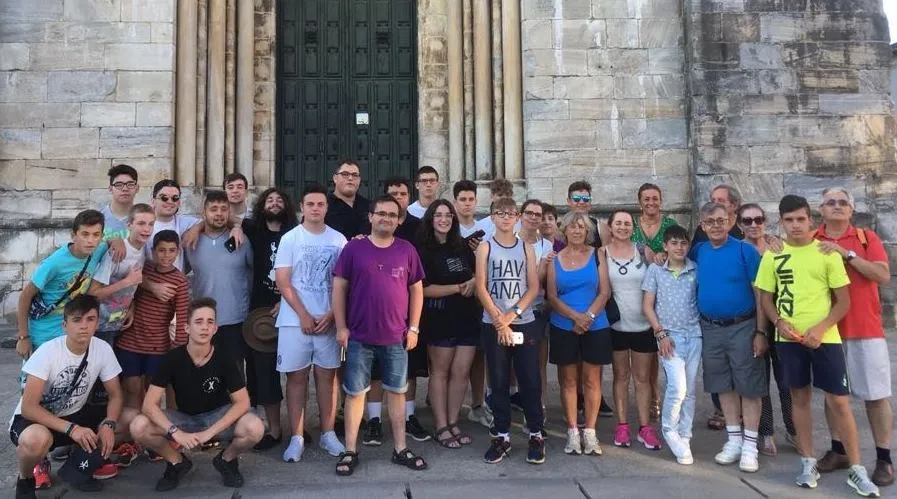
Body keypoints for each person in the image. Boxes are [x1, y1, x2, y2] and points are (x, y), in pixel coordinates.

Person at [755, 194, 879, 497]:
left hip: (826, 339)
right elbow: (766, 298)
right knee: (799, 399)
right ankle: (808, 461)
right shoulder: (773, 255)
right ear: (781, 222)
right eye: (789, 220)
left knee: (839, 402)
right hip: (789, 340)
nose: (795, 225)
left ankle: (857, 468)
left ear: (810, 220)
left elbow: (844, 302)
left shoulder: (827, 252)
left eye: (801, 219)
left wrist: (821, 329)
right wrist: (778, 323)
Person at [332, 195, 427, 476]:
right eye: (381, 213)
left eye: (392, 215)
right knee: (355, 394)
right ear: (371, 217)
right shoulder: (354, 248)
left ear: (399, 220)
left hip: (396, 337)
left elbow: (416, 290)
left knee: (397, 392)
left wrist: (414, 328)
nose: (386, 218)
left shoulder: (407, 249)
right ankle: (350, 450)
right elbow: (339, 288)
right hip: (359, 336)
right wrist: (341, 326)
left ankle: (400, 448)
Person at [129, 298, 265, 491]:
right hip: (184, 418)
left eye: (210, 322)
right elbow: (149, 405)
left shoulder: (224, 357)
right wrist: (176, 433)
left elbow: (242, 402)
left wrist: (208, 433)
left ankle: (227, 459)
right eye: (198, 322)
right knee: (139, 425)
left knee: (255, 427)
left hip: (217, 417)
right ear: (186, 328)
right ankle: (177, 462)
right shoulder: (172, 359)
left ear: (215, 328)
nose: (205, 327)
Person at [11, 295, 138, 497]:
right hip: (37, 419)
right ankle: (25, 479)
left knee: (131, 418)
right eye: (77, 320)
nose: (84, 326)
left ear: (97, 323)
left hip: (75, 414)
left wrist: (109, 423)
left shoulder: (102, 349)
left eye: (90, 319)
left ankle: (77, 467)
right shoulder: (47, 352)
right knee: (36, 440)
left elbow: (115, 395)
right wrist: (72, 429)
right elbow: (29, 407)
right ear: (65, 325)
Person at [810, 187, 893, 487]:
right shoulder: (811, 239)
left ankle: (883, 458)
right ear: (821, 209)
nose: (837, 206)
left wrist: (847, 254)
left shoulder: (866, 238)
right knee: (833, 394)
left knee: (876, 395)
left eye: (843, 202)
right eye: (830, 202)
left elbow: (882, 275)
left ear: (851, 209)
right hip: (827, 329)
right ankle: (839, 450)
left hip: (864, 328)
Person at [690, 202, 767, 473]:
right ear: (702, 225)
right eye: (710, 222)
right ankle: (734, 440)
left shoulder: (745, 251)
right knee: (723, 384)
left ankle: (750, 446)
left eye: (720, 221)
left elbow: (760, 293)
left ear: (731, 221)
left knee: (749, 385)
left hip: (743, 326)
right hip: (710, 328)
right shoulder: (699, 251)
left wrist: (761, 331)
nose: (715, 226)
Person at [274, 184, 347, 461]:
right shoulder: (290, 239)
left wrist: (332, 315)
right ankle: (297, 436)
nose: (315, 208)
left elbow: (343, 282)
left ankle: (328, 433)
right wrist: (303, 314)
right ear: (301, 208)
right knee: (296, 378)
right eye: (310, 204)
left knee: (327, 378)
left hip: (328, 320)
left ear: (327, 207)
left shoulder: (339, 240)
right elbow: (283, 281)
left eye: (320, 204)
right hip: (295, 321)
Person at [475, 197, 545, 465]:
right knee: (499, 380)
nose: (505, 218)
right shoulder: (485, 247)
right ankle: (502, 435)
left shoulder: (525, 247)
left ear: (517, 218)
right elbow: (481, 286)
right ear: (492, 217)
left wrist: (512, 315)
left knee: (530, 379)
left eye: (510, 213)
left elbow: (533, 287)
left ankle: (535, 433)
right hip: (493, 322)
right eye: (500, 213)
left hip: (523, 321)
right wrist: (498, 320)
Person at [361, 177, 429, 446]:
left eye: (402, 194)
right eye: (393, 194)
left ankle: (408, 418)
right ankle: (375, 419)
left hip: (405, 312)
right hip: (372, 315)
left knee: (407, 370)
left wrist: (414, 325)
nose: (398, 198)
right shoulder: (372, 228)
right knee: (375, 372)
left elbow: (417, 279)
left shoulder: (418, 227)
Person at [546, 212, 612, 456]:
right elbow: (552, 296)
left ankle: (590, 432)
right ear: (564, 231)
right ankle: (573, 431)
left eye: (581, 228)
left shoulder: (598, 255)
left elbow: (604, 292)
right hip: (564, 325)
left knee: (592, 380)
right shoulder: (554, 259)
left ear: (587, 232)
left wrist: (588, 317)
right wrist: (576, 317)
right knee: (569, 380)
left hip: (596, 324)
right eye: (572, 227)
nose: (576, 231)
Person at [417, 200, 479, 449]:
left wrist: (473, 282)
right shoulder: (423, 250)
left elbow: (476, 273)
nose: (444, 219)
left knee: (461, 372)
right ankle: (441, 425)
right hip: (439, 317)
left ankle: (454, 422)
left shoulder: (462, 246)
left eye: (448, 215)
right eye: (438, 215)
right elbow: (422, 289)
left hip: (467, 316)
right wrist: (457, 288)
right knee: (440, 373)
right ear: (430, 219)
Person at [737, 203, 796, 457]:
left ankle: (794, 429)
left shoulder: (778, 247)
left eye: (758, 219)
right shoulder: (737, 249)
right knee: (759, 378)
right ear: (739, 224)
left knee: (787, 379)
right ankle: (766, 431)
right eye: (747, 221)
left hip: (780, 319)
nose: (754, 225)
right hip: (751, 322)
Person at [242, 188, 299, 451]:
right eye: (269, 200)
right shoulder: (251, 230)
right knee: (265, 374)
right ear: (262, 205)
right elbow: (224, 219)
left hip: (293, 309)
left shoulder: (296, 234)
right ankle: (274, 429)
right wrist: (234, 228)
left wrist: (286, 299)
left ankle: (298, 429)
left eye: (279, 200)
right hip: (260, 315)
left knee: (297, 373)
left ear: (286, 205)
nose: (274, 203)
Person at [641, 225, 701, 465]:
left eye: (683, 243)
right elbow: (647, 305)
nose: (679, 247)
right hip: (669, 337)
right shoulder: (656, 270)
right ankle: (669, 428)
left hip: (694, 335)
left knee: (691, 390)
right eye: (674, 243)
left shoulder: (695, 269)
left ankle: (685, 434)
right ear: (665, 246)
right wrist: (660, 332)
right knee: (678, 387)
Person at [16, 209, 109, 361]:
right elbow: (25, 296)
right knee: (37, 374)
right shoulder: (54, 263)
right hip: (44, 331)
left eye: (96, 235)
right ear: (73, 235)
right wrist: (23, 337)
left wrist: (117, 242)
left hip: (72, 329)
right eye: (85, 234)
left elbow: (110, 242)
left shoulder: (98, 250)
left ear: (101, 236)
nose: (90, 240)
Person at [604, 210, 661, 450]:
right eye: (618, 223)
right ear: (610, 227)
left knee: (642, 378)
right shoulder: (602, 253)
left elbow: (657, 280)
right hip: (616, 325)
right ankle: (622, 425)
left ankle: (645, 428)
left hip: (643, 324)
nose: (623, 227)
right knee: (620, 376)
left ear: (633, 227)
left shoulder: (643, 251)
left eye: (627, 223)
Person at [116, 230, 189, 409]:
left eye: (171, 250)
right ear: (153, 251)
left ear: (178, 251)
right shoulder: (145, 268)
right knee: (132, 386)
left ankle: (147, 423)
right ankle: (131, 423)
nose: (166, 255)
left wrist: (179, 348)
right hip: (131, 338)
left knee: (152, 390)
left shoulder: (180, 280)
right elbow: (131, 290)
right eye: (162, 250)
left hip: (158, 344)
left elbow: (182, 316)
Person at [184, 191, 253, 367]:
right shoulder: (192, 241)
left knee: (235, 371)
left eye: (224, 209)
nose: (219, 214)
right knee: (203, 369)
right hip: (203, 320)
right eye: (213, 209)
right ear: (204, 212)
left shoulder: (241, 240)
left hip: (235, 319)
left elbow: (256, 272)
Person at [453, 180, 492, 429]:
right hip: (451, 298)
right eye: (463, 199)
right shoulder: (447, 226)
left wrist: (476, 278)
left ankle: (477, 404)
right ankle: (449, 408)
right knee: (447, 357)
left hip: (477, 299)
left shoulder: (485, 229)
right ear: (455, 201)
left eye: (471, 199)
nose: (467, 204)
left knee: (478, 354)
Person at [89, 204, 154, 346]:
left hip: (120, 323)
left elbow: (133, 287)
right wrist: (127, 281)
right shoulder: (117, 252)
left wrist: (131, 307)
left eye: (151, 224)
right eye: (141, 223)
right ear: (129, 225)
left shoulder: (144, 250)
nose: (147, 229)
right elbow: (93, 293)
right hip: (99, 327)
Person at [514, 199, 554, 421]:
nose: (533, 217)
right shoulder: (509, 240)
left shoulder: (546, 246)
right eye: (529, 213)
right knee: (510, 364)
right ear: (520, 215)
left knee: (537, 364)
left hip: (536, 310)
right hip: (510, 310)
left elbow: (541, 282)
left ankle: (540, 407)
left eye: (537, 215)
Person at [143, 179, 200, 272]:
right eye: (164, 198)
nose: (170, 201)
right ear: (153, 201)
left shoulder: (183, 222)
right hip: (148, 278)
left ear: (179, 202)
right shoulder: (143, 223)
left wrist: (196, 229)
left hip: (176, 279)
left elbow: (208, 222)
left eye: (175, 198)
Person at [631, 183, 678, 264]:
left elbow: (678, 250)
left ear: (660, 201)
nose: (651, 202)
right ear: (640, 203)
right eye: (646, 199)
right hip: (634, 270)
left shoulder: (670, 225)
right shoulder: (631, 224)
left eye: (655, 199)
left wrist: (666, 255)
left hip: (663, 270)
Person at [325, 159, 370, 240]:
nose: (350, 178)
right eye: (345, 174)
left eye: (355, 175)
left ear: (359, 180)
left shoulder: (369, 206)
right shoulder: (323, 205)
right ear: (335, 178)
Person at [101, 164, 140, 240]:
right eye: (119, 185)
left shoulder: (145, 219)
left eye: (130, 184)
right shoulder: (98, 218)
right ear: (110, 189)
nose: (125, 189)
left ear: (137, 188)